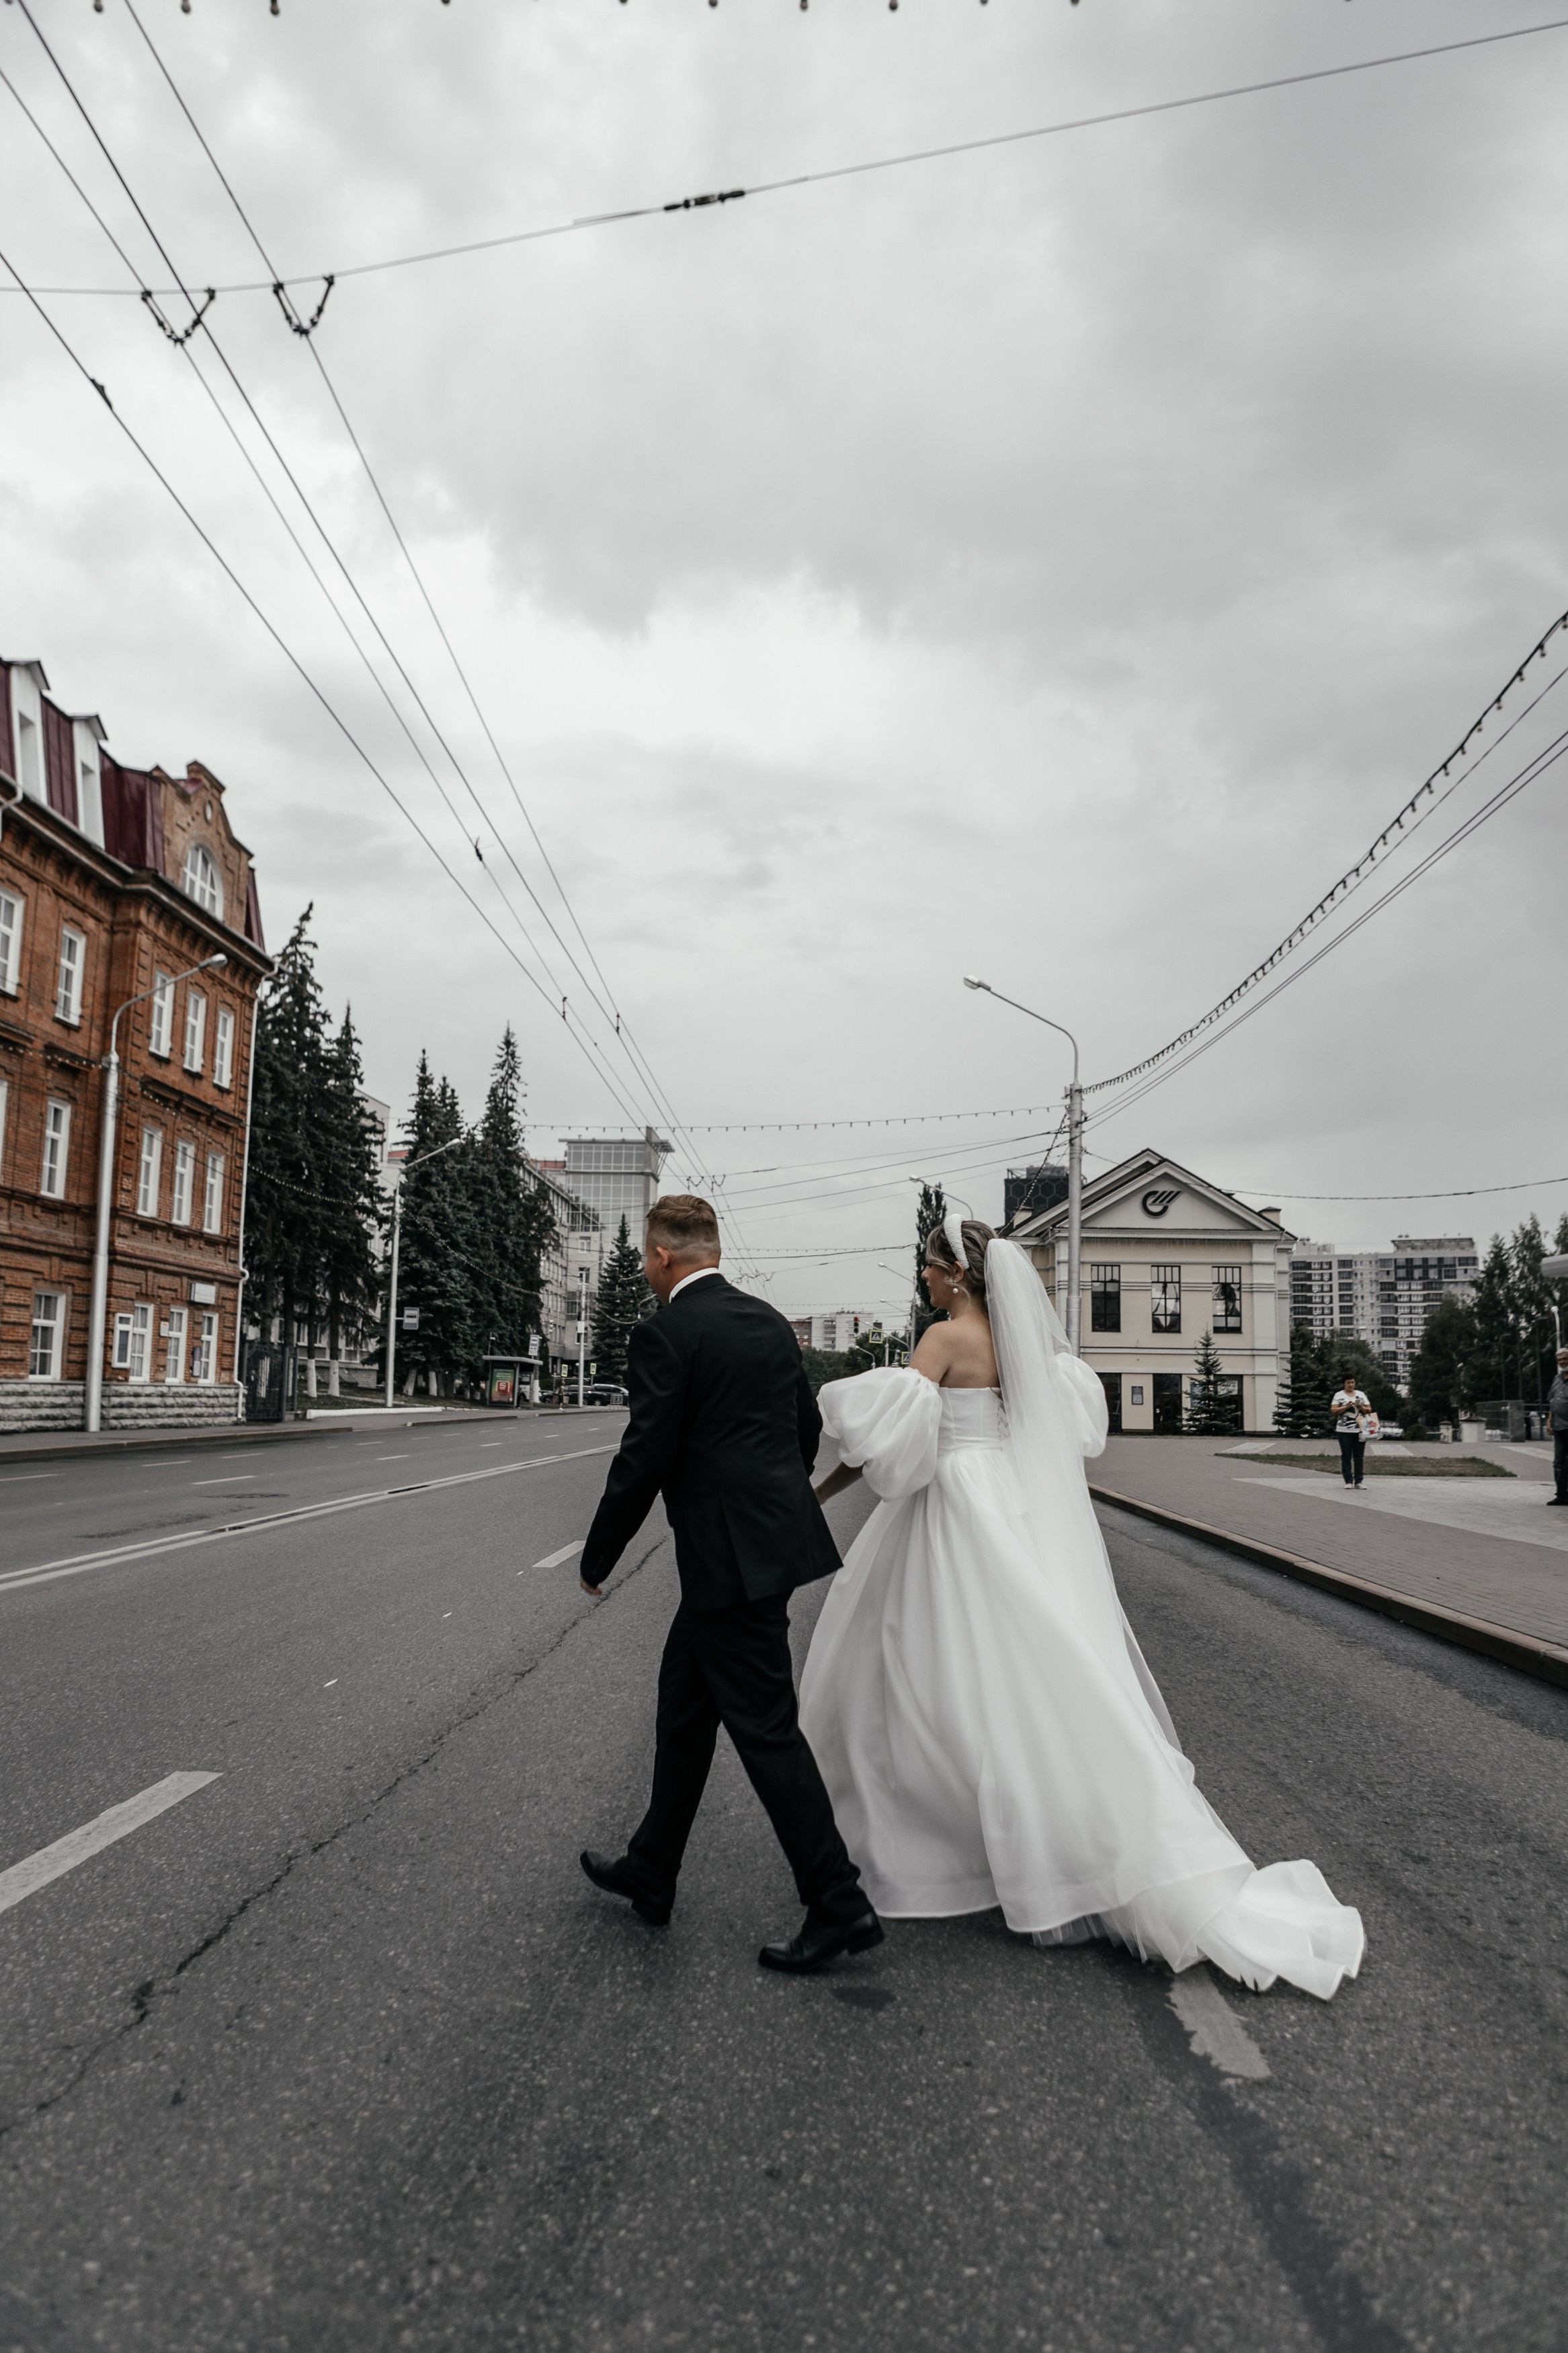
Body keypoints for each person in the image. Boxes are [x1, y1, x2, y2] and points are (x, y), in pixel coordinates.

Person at [799, 1213, 1364, 1999]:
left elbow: (883, 1450)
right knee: (1016, 1672)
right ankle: (1038, 1828)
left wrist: (812, 1494)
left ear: (955, 1273)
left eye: (928, 1266)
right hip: (1005, 1505)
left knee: (916, 1670)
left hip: (950, 1507)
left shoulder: (943, 1338)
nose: (923, 1277)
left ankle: (939, 1840)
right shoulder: (1020, 1344)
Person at [574, 1193, 880, 1974]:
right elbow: (804, 1431)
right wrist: (766, 1495)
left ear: (662, 1256)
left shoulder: (666, 1331)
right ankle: (652, 1868)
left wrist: (597, 1555)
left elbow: (644, 1454)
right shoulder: (769, 1322)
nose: (646, 1271)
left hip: (729, 1559)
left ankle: (837, 1899)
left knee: (765, 1728)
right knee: (684, 1705)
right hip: (762, 1548)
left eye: (647, 1259)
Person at [1330, 1370, 1373, 1487]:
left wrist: (1361, 1407)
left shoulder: (1361, 1394)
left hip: (1360, 1430)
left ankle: (1359, 1481)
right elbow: (1334, 1411)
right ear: (1344, 1384)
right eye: (1348, 1383)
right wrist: (1346, 1407)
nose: (1350, 1385)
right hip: (1344, 1430)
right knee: (1346, 1456)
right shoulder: (1339, 1395)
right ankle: (1348, 1481)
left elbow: (1369, 1410)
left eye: (1352, 1382)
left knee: (1359, 1457)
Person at [1548, 1346, 1568, 1506]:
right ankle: (1561, 1495)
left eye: (1565, 1359)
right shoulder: (1557, 1379)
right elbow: (1553, 1402)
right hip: (1559, 1427)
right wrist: (1549, 1421)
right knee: (1559, 1462)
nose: (1562, 1362)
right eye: (1560, 1360)